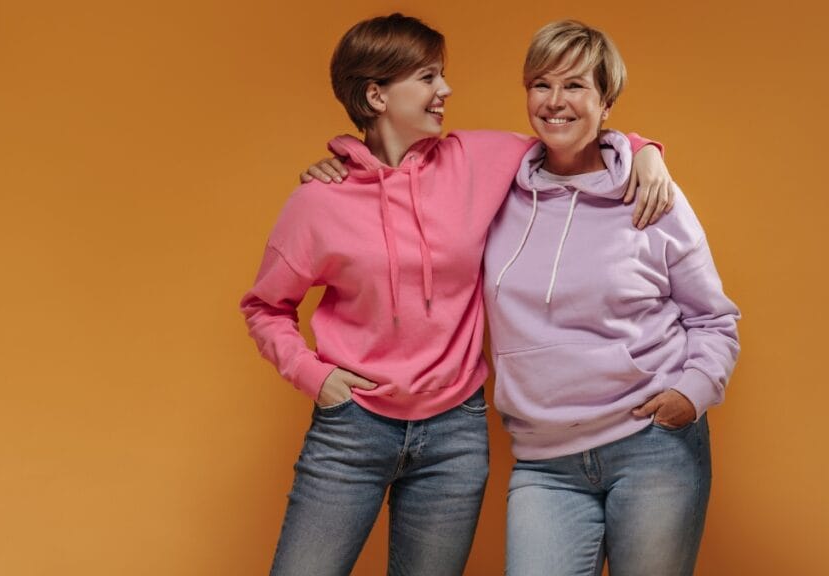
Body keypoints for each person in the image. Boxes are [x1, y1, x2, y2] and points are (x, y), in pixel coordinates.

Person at [241, 13, 673, 576]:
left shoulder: (477, 159)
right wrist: (316, 378)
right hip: (353, 429)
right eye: (427, 78)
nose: (445, 91)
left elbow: (570, 135)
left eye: (441, 75)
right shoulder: (320, 201)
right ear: (376, 94)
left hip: (454, 434)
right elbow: (265, 307)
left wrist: (643, 149)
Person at [482, 21, 741, 575]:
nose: (555, 102)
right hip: (543, 462)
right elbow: (411, 170)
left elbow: (714, 319)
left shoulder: (650, 195)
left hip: (652, 449)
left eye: (575, 86)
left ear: (606, 101)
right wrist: (338, 167)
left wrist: (691, 394)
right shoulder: (495, 188)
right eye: (541, 84)